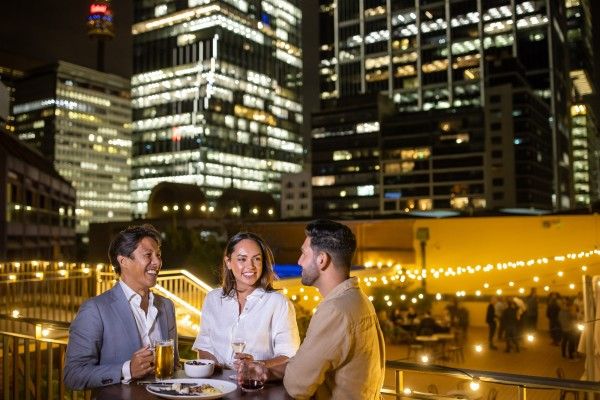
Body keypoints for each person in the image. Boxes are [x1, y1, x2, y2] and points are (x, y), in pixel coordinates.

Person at [252, 219, 385, 399]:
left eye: (304, 254)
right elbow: (308, 365)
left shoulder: (335, 310)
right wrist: (268, 368)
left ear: (322, 260)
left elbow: (296, 385)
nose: (299, 261)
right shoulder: (358, 300)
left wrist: (271, 370)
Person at [64, 224, 178, 389]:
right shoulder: (95, 309)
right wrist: (127, 370)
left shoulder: (167, 306)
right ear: (123, 261)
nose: (157, 262)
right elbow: (73, 375)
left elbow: (173, 365)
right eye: (148, 255)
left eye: (158, 255)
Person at [193, 232, 299, 369]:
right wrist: (217, 371)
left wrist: (258, 366)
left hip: (258, 387)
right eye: (242, 259)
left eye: (256, 259)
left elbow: (289, 357)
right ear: (228, 262)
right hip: (217, 387)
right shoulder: (212, 299)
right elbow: (204, 347)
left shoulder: (278, 303)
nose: (250, 266)